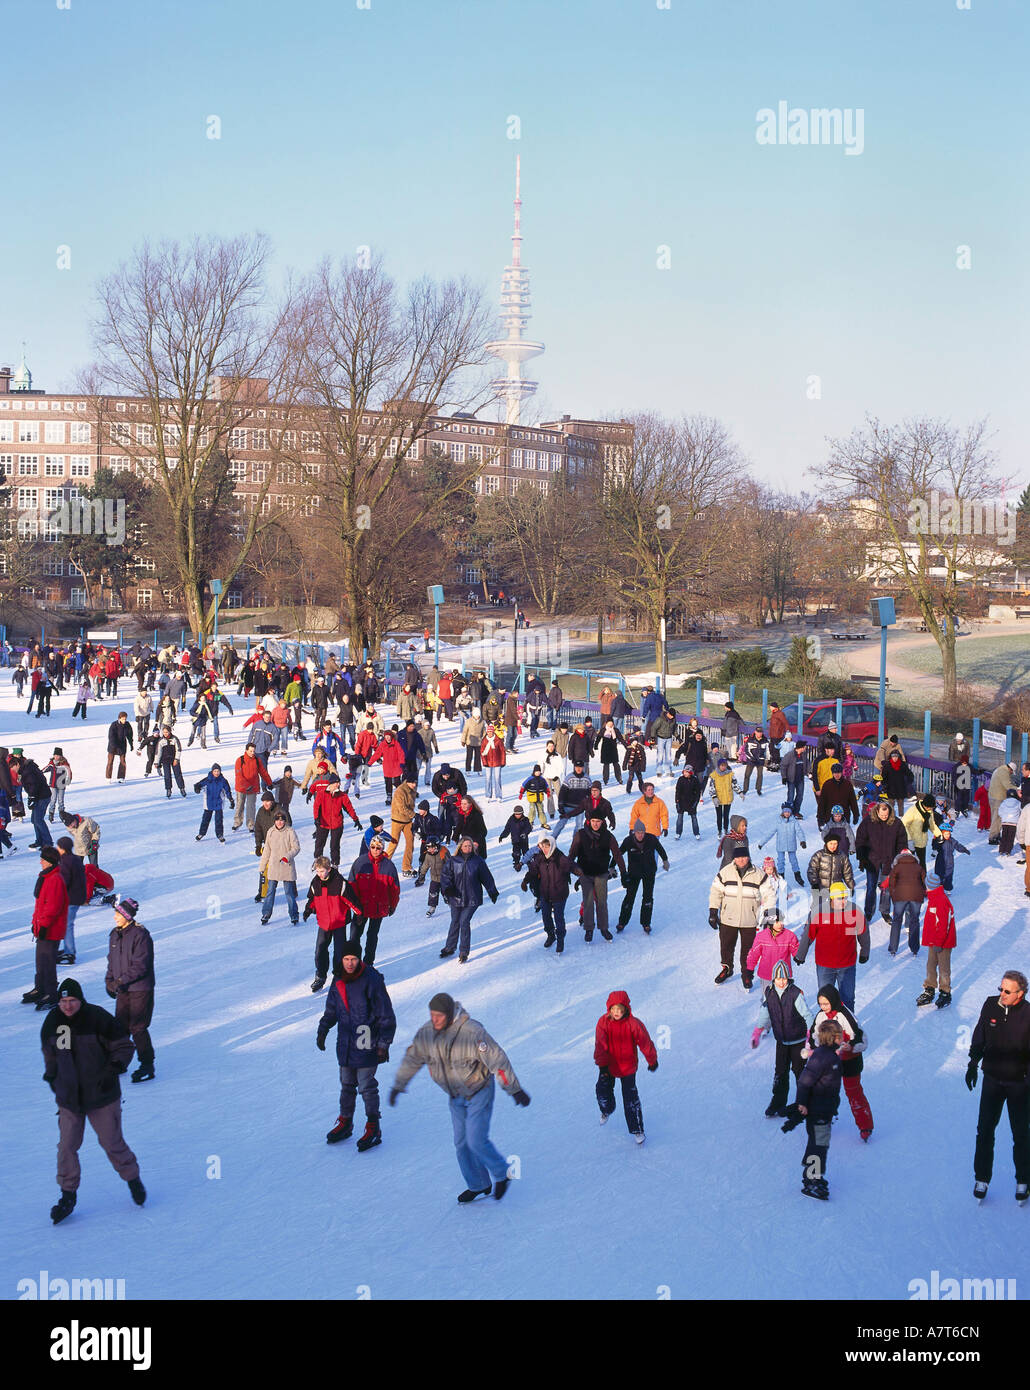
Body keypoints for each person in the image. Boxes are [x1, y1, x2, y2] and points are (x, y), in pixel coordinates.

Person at [389, 993, 529, 1202]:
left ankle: (503, 1173)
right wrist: (399, 1085)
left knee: (476, 1140)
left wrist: (513, 1089)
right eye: (432, 1015)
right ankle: (479, 1184)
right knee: (462, 1144)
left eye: (439, 1015)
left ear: (449, 1014)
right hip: (455, 1096)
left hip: (478, 1091)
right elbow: (412, 1058)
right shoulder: (427, 1034)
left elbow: (497, 1060)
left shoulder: (472, 1032)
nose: (434, 1019)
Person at [41, 978, 146, 1224]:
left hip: (101, 1094)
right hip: (69, 1099)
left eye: (72, 1001)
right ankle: (67, 1195)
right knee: (67, 1147)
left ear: (81, 1000)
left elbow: (123, 1046)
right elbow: (51, 1053)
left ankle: (132, 1179)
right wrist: (53, 1076)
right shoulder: (54, 1022)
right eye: (63, 1001)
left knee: (112, 1143)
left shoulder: (98, 1018)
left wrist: (113, 1070)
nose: (67, 1006)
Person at [317, 939, 396, 1151]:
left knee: (366, 1085)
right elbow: (332, 1009)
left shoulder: (371, 979)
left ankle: (373, 1126)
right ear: (341, 959)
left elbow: (386, 1015)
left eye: (353, 959)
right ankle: (346, 1121)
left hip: (366, 1038)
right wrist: (323, 1029)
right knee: (346, 1083)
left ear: (359, 959)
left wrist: (383, 1044)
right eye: (346, 959)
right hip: (345, 1041)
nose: (350, 963)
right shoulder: (338, 980)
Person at [967, 970, 1030, 1202]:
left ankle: (1024, 1179)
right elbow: (980, 1034)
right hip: (992, 1079)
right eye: (1000, 989)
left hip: (1018, 1084)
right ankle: (982, 1178)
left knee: (1021, 1134)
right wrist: (973, 1062)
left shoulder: (1028, 1014)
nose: (1001, 994)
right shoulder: (991, 1005)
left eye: (1007, 991)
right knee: (984, 1131)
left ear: (1020, 994)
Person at [807, 984, 873, 1142]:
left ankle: (865, 1125)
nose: (823, 1007)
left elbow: (860, 1036)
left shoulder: (845, 1015)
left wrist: (851, 1046)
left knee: (854, 1093)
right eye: (821, 1004)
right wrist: (815, 1049)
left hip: (849, 1061)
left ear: (834, 1000)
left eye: (826, 1004)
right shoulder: (821, 1016)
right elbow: (813, 1036)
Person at [594, 990, 658, 1144]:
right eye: (614, 1009)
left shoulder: (633, 1024)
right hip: (608, 1065)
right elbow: (600, 1045)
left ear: (626, 1009)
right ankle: (607, 1110)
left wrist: (652, 1060)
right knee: (602, 1090)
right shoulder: (603, 1023)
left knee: (630, 1099)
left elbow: (645, 1042)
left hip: (628, 1066)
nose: (617, 1012)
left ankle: (637, 1129)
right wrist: (602, 1066)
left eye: (620, 1009)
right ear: (609, 1008)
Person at [104, 897, 156, 1083]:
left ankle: (147, 1065)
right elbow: (112, 961)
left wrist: (119, 982)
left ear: (127, 915)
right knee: (120, 1027)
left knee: (138, 1027)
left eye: (118, 914)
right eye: (115, 913)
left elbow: (141, 966)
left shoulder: (141, 935)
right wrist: (109, 980)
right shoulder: (114, 934)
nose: (115, 917)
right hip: (123, 988)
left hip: (140, 988)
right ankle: (119, 1061)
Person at [792, 1018, 843, 1200]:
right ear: (833, 1038)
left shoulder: (831, 1056)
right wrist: (802, 1103)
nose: (843, 1037)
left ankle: (812, 1175)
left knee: (819, 1144)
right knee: (818, 1146)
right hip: (817, 1110)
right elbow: (804, 1082)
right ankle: (811, 1180)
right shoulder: (822, 1057)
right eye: (840, 1035)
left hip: (825, 1109)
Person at [756, 960, 813, 1116]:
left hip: (799, 1041)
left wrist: (810, 1035)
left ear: (789, 978)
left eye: (784, 979)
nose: (781, 982)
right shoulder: (769, 992)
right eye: (778, 979)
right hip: (781, 1041)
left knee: (800, 1071)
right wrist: (758, 1030)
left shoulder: (795, 993)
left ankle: (805, 1102)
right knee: (780, 1072)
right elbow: (764, 1013)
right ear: (773, 979)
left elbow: (807, 1014)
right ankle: (777, 1102)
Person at [22, 847, 69, 1011]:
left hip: (51, 929)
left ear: (50, 861)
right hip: (42, 927)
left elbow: (53, 907)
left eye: (43, 859)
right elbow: (41, 904)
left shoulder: (55, 879)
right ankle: (40, 988)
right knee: (40, 961)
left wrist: (43, 926)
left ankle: (50, 992)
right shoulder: (46, 877)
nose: (40, 862)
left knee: (47, 962)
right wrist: (35, 924)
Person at [709, 845, 764, 987]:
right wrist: (713, 912)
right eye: (738, 857)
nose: (741, 860)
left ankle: (746, 974)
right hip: (728, 917)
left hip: (750, 919)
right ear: (734, 858)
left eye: (744, 856)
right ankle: (727, 969)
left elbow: (769, 895)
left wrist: (768, 916)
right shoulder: (725, 872)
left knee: (748, 949)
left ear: (749, 857)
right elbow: (716, 892)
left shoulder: (758, 874)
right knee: (726, 945)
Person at [438, 835, 498, 963]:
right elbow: (445, 877)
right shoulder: (453, 861)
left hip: (472, 898)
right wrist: (448, 889)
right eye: (465, 846)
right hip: (456, 897)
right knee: (455, 921)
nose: (467, 848)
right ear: (460, 847)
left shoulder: (478, 861)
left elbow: (487, 877)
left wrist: (492, 891)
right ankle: (450, 947)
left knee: (464, 921)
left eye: (470, 846)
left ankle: (464, 951)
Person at [346, 837, 401, 965]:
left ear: (382, 849)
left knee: (372, 935)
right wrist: (355, 907)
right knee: (354, 936)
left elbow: (395, 889)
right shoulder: (360, 863)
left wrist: (392, 906)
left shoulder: (389, 866)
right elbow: (351, 886)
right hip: (361, 907)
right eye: (373, 847)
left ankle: (368, 962)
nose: (375, 850)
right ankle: (354, 962)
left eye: (378, 848)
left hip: (379, 907)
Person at [522, 833, 580, 952]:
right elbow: (533, 871)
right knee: (546, 916)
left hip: (559, 893)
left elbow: (572, 867)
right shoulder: (539, 858)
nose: (544, 849)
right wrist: (525, 881)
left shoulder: (560, 858)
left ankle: (560, 939)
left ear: (552, 845)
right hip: (545, 893)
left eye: (547, 846)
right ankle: (551, 935)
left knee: (558, 917)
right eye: (542, 846)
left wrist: (581, 874)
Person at [855, 798, 907, 922]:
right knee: (871, 888)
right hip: (872, 861)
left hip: (889, 860)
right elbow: (860, 840)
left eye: (886, 815)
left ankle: (885, 912)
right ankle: (868, 912)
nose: (884, 817)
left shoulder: (896, 823)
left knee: (887, 888)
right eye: (882, 815)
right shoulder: (868, 822)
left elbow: (902, 841)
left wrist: (899, 857)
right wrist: (862, 858)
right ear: (877, 812)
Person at [617, 819, 669, 934]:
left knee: (648, 897)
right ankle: (622, 922)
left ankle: (646, 923)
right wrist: (611, 866)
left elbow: (660, 849)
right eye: (638, 832)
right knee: (629, 897)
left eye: (642, 832)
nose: (640, 835)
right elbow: (618, 853)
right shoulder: (628, 841)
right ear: (634, 832)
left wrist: (665, 860)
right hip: (634, 873)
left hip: (649, 872)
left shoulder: (651, 839)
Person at [917, 874, 957, 1008]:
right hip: (933, 941)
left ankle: (945, 992)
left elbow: (943, 925)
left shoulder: (940, 900)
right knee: (931, 965)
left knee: (944, 968)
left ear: (930, 886)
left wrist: (939, 943)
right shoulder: (934, 897)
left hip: (942, 943)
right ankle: (929, 988)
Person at [258, 811, 301, 925]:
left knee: (289, 893)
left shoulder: (290, 831)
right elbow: (267, 850)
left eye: (282, 820)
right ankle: (266, 914)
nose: (279, 822)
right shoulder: (271, 832)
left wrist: (287, 856)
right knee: (270, 891)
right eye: (277, 820)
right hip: (274, 866)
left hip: (287, 866)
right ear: (274, 821)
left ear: (285, 821)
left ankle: (294, 915)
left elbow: (296, 848)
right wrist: (262, 866)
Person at [887, 846, 925, 957]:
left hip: (900, 897)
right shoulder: (918, 867)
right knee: (914, 921)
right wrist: (921, 894)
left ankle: (893, 948)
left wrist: (894, 897)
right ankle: (914, 949)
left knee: (896, 921)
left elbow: (891, 884)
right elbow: (924, 882)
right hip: (916, 897)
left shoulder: (896, 867)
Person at [54, 837, 86, 966]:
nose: (57, 849)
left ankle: (70, 953)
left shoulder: (66, 861)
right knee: (67, 924)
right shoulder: (75, 858)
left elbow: (64, 881)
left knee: (67, 925)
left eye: (58, 847)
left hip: (71, 898)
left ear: (63, 848)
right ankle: (68, 949)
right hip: (76, 897)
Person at [194, 764, 234, 842]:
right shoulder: (208, 779)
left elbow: (227, 791)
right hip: (208, 803)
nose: (216, 773)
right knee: (205, 819)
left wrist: (231, 800)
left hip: (219, 802)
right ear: (212, 771)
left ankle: (220, 835)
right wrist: (197, 788)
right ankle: (201, 833)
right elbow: (198, 784)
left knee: (219, 820)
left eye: (218, 771)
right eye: (215, 771)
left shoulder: (223, 781)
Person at [105, 711, 134, 782]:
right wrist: (114, 745)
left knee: (123, 762)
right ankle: (108, 777)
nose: (124, 720)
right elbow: (111, 736)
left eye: (125, 719)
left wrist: (131, 744)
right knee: (110, 761)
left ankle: (121, 777)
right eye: (123, 719)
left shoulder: (127, 724)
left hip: (122, 745)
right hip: (113, 746)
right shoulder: (114, 725)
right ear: (119, 718)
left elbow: (129, 735)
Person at [998, 789, 1022, 857]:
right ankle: (1008, 851)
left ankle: (1001, 850)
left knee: (1004, 836)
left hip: (1005, 822)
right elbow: (1021, 810)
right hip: (1013, 823)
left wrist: (1004, 817)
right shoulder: (1018, 803)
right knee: (1011, 837)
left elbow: (999, 812)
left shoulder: (1003, 802)